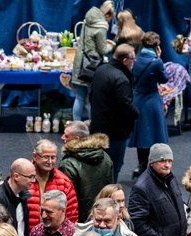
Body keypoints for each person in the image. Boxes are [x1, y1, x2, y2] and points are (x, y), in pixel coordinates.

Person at [90, 43, 139, 182]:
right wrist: (137, 114)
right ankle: (109, 199)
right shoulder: (121, 79)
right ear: (125, 60)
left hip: (98, 127)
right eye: (133, 59)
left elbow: (92, 94)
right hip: (116, 133)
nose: (135, 61)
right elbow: (126, 105)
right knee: (114, 167)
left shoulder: (101, 70)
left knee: (98, 166)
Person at [128, 32, 169, 176]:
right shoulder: (156, 61)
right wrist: (159, 58)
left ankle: (141, 165)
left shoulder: (136, 59)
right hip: (152, 101)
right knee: (154, 135)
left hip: (138, 99)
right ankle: (154, 165)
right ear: (157, 45)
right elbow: (164, 78)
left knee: (142, 135)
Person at [60, 121, 114, 222]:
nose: (62, 137)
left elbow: (67, 198)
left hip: (80, 220)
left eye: (66, 136)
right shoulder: (105, 157)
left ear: (76, 139)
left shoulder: (69, 164)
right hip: (103, 217)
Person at [71, 1, 116, 122]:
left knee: (79, 97)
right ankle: (93, 126)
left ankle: (76, 126)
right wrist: (113, 46)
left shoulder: (88, 20)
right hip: (91, 66)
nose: (110, 21)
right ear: (107, 15)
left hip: (80, 62)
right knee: (92, 98)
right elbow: (102, 50)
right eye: (111, 18)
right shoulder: (101, 27)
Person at [29, 139, 79, 225]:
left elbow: (72, 215)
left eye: (53, 157)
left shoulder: (64, 183)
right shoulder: (22, 177)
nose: (50, 162)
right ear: (35, 156)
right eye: (45, 157)